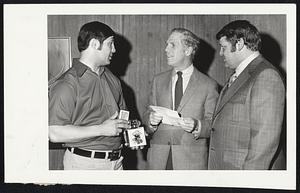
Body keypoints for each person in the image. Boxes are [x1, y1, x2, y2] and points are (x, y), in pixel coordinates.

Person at [48, 21, 131, 170]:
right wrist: (102, 129)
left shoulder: (113, 79)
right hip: (84, 163)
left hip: (117, 162)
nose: (114, 49)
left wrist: (133, 134)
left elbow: (122, 118)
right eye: (110, 44)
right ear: (94, 44)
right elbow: (54, 133)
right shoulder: (67, 83)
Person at [207, 20, 285, 170]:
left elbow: (265, 139)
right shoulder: (240, 74)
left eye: (224, 47)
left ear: (240, 43)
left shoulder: (266, 75)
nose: (221, 53)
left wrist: (248, 181)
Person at [144, 28, 219, 170]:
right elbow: (147, 113)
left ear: (188, 50)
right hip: (158, 161)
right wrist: (150, 121)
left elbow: (214, 126)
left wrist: (197, 125)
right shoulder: (157, 81)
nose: (166, 49)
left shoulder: (209, 85)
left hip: (191, 162)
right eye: (167, 44)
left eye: (172, 45)